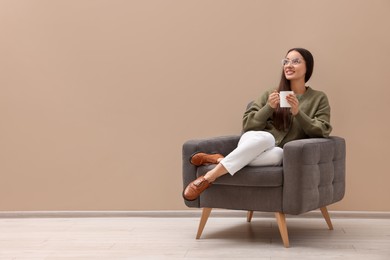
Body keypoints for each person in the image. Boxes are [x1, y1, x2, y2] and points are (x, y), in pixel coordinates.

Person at [183, 47, 332, 201]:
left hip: (273, 152)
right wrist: (268, 107)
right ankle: (208, 178)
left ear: (308, 67)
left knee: (279, 154)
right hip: (254, 139)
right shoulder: (271, 93)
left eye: (295, 61)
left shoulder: (318, 98)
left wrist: (298, 113)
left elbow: (322, 130)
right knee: (267, 139)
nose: (289, 65)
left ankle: (220, 159)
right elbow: (248, 125)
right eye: (286, 61)